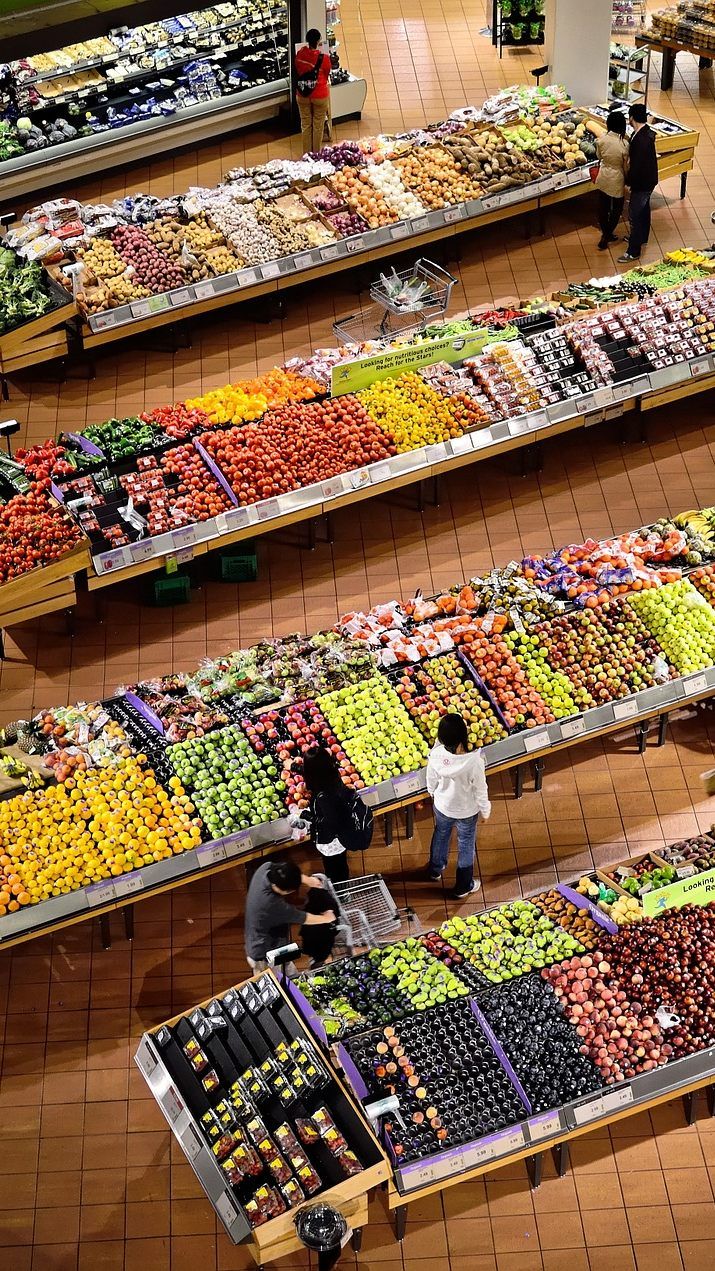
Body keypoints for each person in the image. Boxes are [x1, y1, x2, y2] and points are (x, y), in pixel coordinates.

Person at [426, 713, 490, 900]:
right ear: (464, 735)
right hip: (466, 811)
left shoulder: (436, 755)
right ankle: (463, 885)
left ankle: (435, 869)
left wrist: (433, 793)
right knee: (466, 844)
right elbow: (480, 789)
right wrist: (485, 810)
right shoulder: (474, 762)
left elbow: (431, 780)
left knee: (441, 833)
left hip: (442, 805)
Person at [244, 859, 335, 973]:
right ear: (283, 889)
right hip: (264, 953)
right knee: (280, 978)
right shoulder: (271, 905)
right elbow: (302, 917)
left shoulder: (265, 868)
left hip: (266, 936)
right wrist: (327, 918)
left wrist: (307, 880)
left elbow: (283, 871)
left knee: (287, 966)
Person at [302, 747, 354, 884]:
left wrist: (307, 816)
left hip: (330, 839)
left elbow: (328, 821)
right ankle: (342, 886)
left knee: (333, 867)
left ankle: (340, 891)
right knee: (341, 863)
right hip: (343, 834)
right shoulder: (333, 776)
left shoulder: (322, 795)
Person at [618, 103, 658, 263]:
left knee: (635, 214)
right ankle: (642, 238)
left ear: (631, 118)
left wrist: (629, 182)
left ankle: (633, 251)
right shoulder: (645, 134)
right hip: (649, 180)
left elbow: (637, 166)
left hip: (642, 183)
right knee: (644, 210)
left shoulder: (640, 140)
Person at [594, 111, 628, 251]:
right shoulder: (624, 144)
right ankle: (607, 234)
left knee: (603, 207)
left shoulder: (601, 140)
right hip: (617, 176)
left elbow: (599, 156)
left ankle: (606, 233)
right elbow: (625, 165)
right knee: (617, 208)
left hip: (603, 175)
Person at [295, 29, 331, 156]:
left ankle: (306, 155)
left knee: (305, 124)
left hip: (303, 93)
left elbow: (298, 69)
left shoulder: (300, 54)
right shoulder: (324, 58)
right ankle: (316, 155)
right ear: (318, 41)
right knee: (318, 125)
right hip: (320, 94)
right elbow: (326, 73)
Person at [300, 882, 338, 968]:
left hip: (312, 934)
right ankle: (316, 965)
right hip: (319, 936)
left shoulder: (314, 896)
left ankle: (316, 963)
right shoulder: (322, 898)